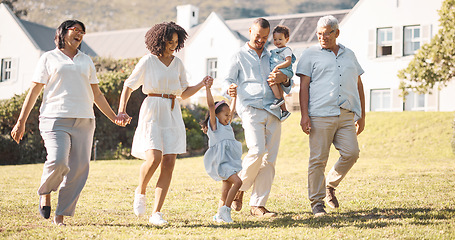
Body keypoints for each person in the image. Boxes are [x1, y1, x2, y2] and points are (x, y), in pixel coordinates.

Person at [10, 20, 126, 226]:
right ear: (63, 33)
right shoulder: (48, 57)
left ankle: (60, 215)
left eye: (83, 32)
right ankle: (45, 191)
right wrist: (21, 121)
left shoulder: (86, 60)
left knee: (79, 168)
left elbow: (96, 94)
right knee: (58, 161)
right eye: (76, 30)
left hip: (85, 120)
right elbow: (35, 91)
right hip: (54, 118)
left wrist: (114, 116)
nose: (80, 34)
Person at [116, 21, 211, 225]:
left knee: (169, 162)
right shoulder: (148, 61)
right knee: (154, 158)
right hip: (152, 109)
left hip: (172, 111)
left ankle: (156, 213)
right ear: (159, 41)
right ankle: (140, 190)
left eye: (176, 42)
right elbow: (128, 86)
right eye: (170, 41)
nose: (173, 46)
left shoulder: (177, 64)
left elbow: (184, 93)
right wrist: (121, 110)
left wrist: (201, 84)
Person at [296, 15, 366, 217]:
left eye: (327, 33)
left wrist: (361, 115)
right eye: (319, 33)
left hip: (346, 114)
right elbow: (304, 87)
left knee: (351, 153)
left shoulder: (349, 54)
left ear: (337, 33)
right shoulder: (310, 55)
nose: (323, 37)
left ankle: (330, 185)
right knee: (318, 159)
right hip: (320, 114)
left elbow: (359, 84)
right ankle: (317, 203)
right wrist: (304, 115)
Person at [223, 18, 292, 217]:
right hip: (251, 108)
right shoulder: (238, 55)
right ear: (250, 31)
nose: (261, 40)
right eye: (257, 36)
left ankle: (257, 205)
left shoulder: (273, 55)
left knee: (269, 159)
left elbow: (288, 80)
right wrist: (229, 88)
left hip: (274, 110)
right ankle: (239, 189)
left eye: (264, 37)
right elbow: (227, 80)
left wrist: (284, 79)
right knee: (257, 150)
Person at [201, 82, 242, 223]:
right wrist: (208, 88)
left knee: (226, 189)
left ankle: (219, 214)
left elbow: (233, 109)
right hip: (221, 162)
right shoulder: (215, 126)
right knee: (238, 182)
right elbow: (211, 106)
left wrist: (234, 97)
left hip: (228, 161)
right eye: (225, 115)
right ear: (216, 115)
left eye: (229, 115)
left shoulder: (227, 124)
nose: (228, 117)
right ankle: (226, 211)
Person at [269, 25, 296, 121]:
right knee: (279, 90)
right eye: (275, 39)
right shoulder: (274, 51)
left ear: (287, 39)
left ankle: (278, 99)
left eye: (280, 39)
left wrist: (277, 67)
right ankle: (284, 111)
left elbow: (288, 61)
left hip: (285, 70)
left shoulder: (286, 50)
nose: (277, 42)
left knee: (271, 80)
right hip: (280, 71)